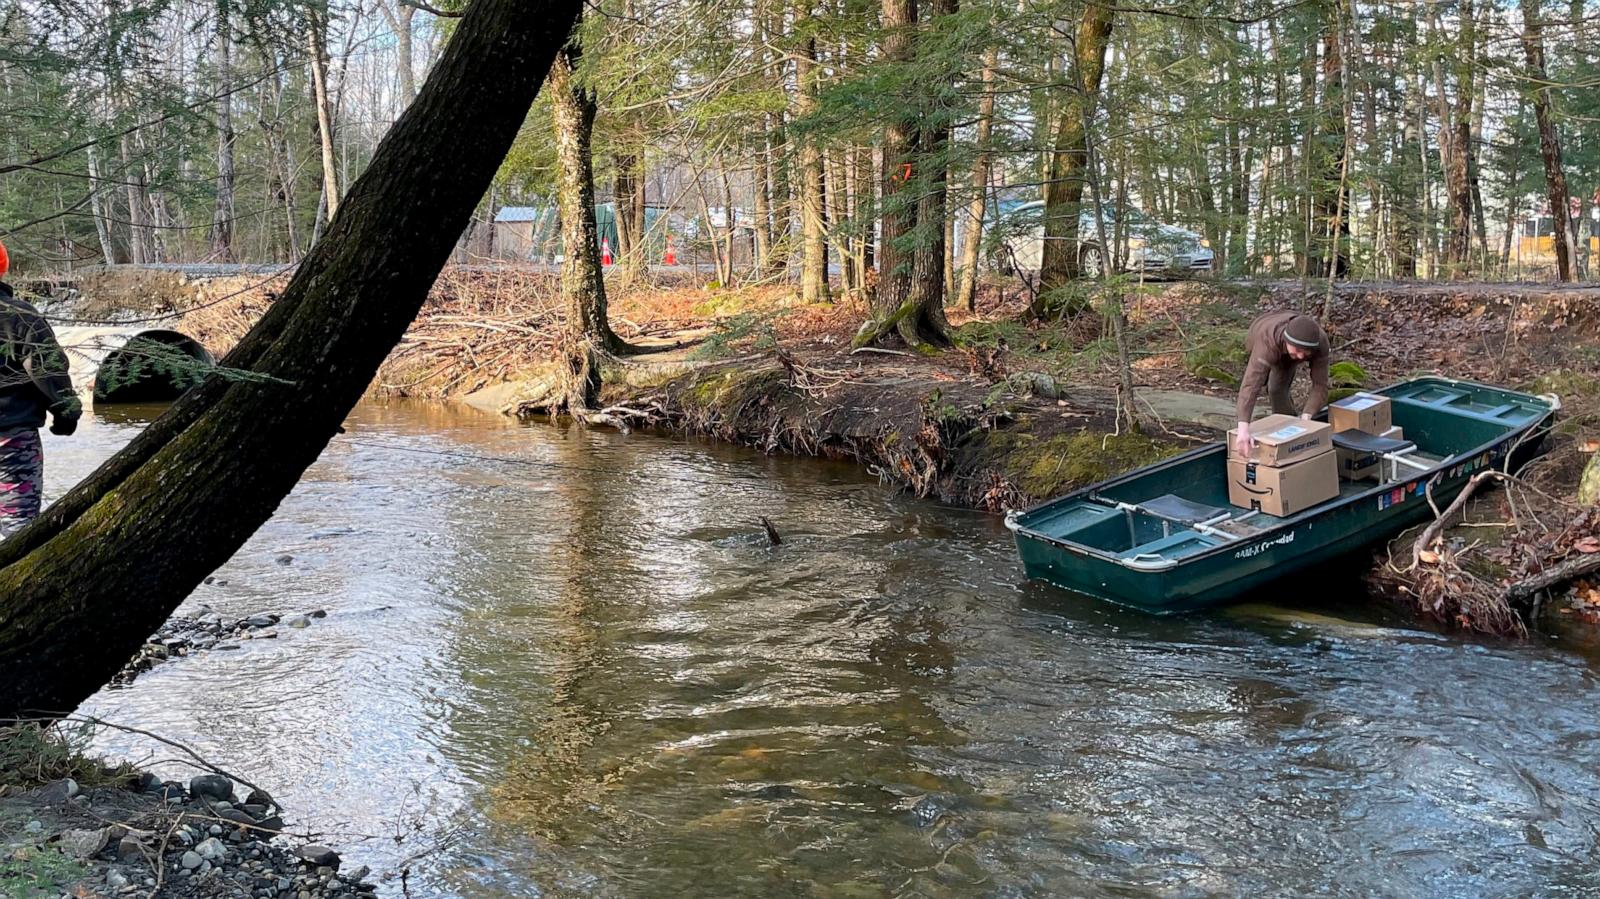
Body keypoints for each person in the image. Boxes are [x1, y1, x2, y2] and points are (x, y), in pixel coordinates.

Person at [0, 240, 81, 535]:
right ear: (3, 267)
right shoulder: (21, 315)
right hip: (11, 439)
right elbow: (47, 370)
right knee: (18, 528)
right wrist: (67, 413)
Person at [1233, 311, 1329, 459]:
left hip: (1286, 348)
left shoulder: (1320, 342)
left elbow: (1320, 385)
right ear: (1286, 340)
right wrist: (1243, 428)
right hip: (1261, 334)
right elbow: (1250, 385)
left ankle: (1286, 434)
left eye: (1306, 353)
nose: (1301, 357)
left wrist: (1306, 419)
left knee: (1276, 389)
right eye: (1298, 350)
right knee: (1258, 378)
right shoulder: (1267, 341)